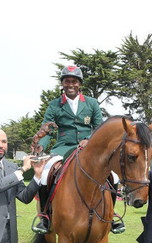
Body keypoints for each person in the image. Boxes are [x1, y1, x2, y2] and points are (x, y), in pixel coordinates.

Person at [32, 65, 125, 234]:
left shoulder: (92, 103)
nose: (70, 85)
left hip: (89, 149)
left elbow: (99, 128)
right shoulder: (54, 105)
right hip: (63, 147)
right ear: (62, 84)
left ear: (79, 84)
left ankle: (110, 216)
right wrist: (41, 146)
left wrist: (89, 140)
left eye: (74, 81)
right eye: (67, 81)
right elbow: (47, 130)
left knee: (114, 175)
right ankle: (45, 216)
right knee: (45, 173)